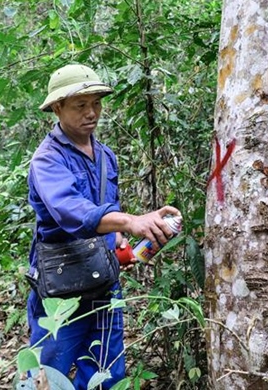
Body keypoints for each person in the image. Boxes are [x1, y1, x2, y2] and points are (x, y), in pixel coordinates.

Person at [26, 63, 181, 389]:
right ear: (57, 108)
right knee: (46, 376)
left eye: (96, 103)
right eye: (80, 105)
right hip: (60, 290)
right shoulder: (47, 160)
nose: (91, 112)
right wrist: (130, 220)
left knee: (106, 371)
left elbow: (104, 210)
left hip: (103, 284)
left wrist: (126, 236)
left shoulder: (106, 156)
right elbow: (73, 213)